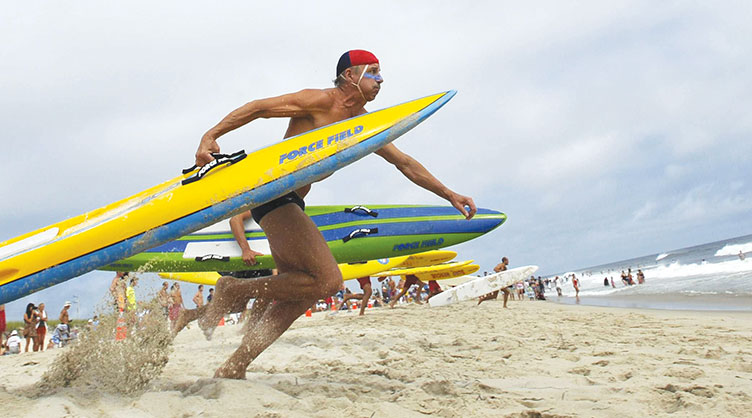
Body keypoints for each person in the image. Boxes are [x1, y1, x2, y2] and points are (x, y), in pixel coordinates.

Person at [180, 50, 475, 379]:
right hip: (274, 195)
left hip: (293, 202)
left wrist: (449, 193)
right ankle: (233, 289)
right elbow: (259, 108)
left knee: (300, 293)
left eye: (380, 73)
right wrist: (211, 136)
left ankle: (232, 363)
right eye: (373, 72)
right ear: (350, 75)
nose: (381, 80)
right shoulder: (318, 101)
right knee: (329, 281)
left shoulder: (362, 123)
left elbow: (403, 162)